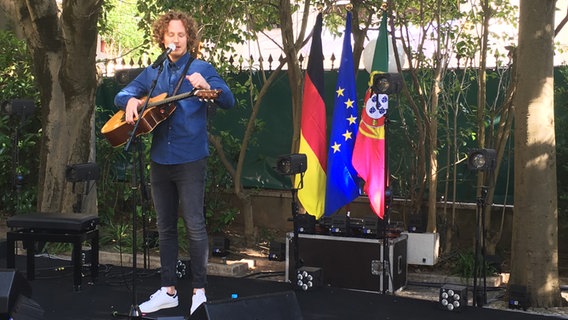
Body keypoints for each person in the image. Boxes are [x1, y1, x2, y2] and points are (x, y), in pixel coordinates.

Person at [114, 10, 235, 315]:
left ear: (189, 38)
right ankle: (168, 289)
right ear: (162, 38)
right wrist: (130, 100)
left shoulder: (201, 67)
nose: (176, 39)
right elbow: (123, 93)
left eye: (181, 35)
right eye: (171, 34)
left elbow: (228, 99)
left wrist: (207, 85)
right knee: (165, 226)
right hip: (160, 159)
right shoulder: (153, 73)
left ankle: (199, 290)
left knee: (194, 225)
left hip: (191, 158)